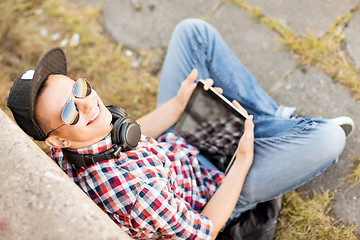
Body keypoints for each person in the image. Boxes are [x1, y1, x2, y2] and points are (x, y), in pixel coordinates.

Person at [7, 19, 354, 240]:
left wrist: (179, 104)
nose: (87, 104)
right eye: (70, 111)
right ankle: (274, 126)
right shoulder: (135, 195)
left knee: (193, 33)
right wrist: (244, 159)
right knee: (328, 138)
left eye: (79, 88)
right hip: (216, 188)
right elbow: (205, 230)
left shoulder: (68, 144)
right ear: (56, 138)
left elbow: (133, 134)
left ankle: (271, 122)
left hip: (179, 146)